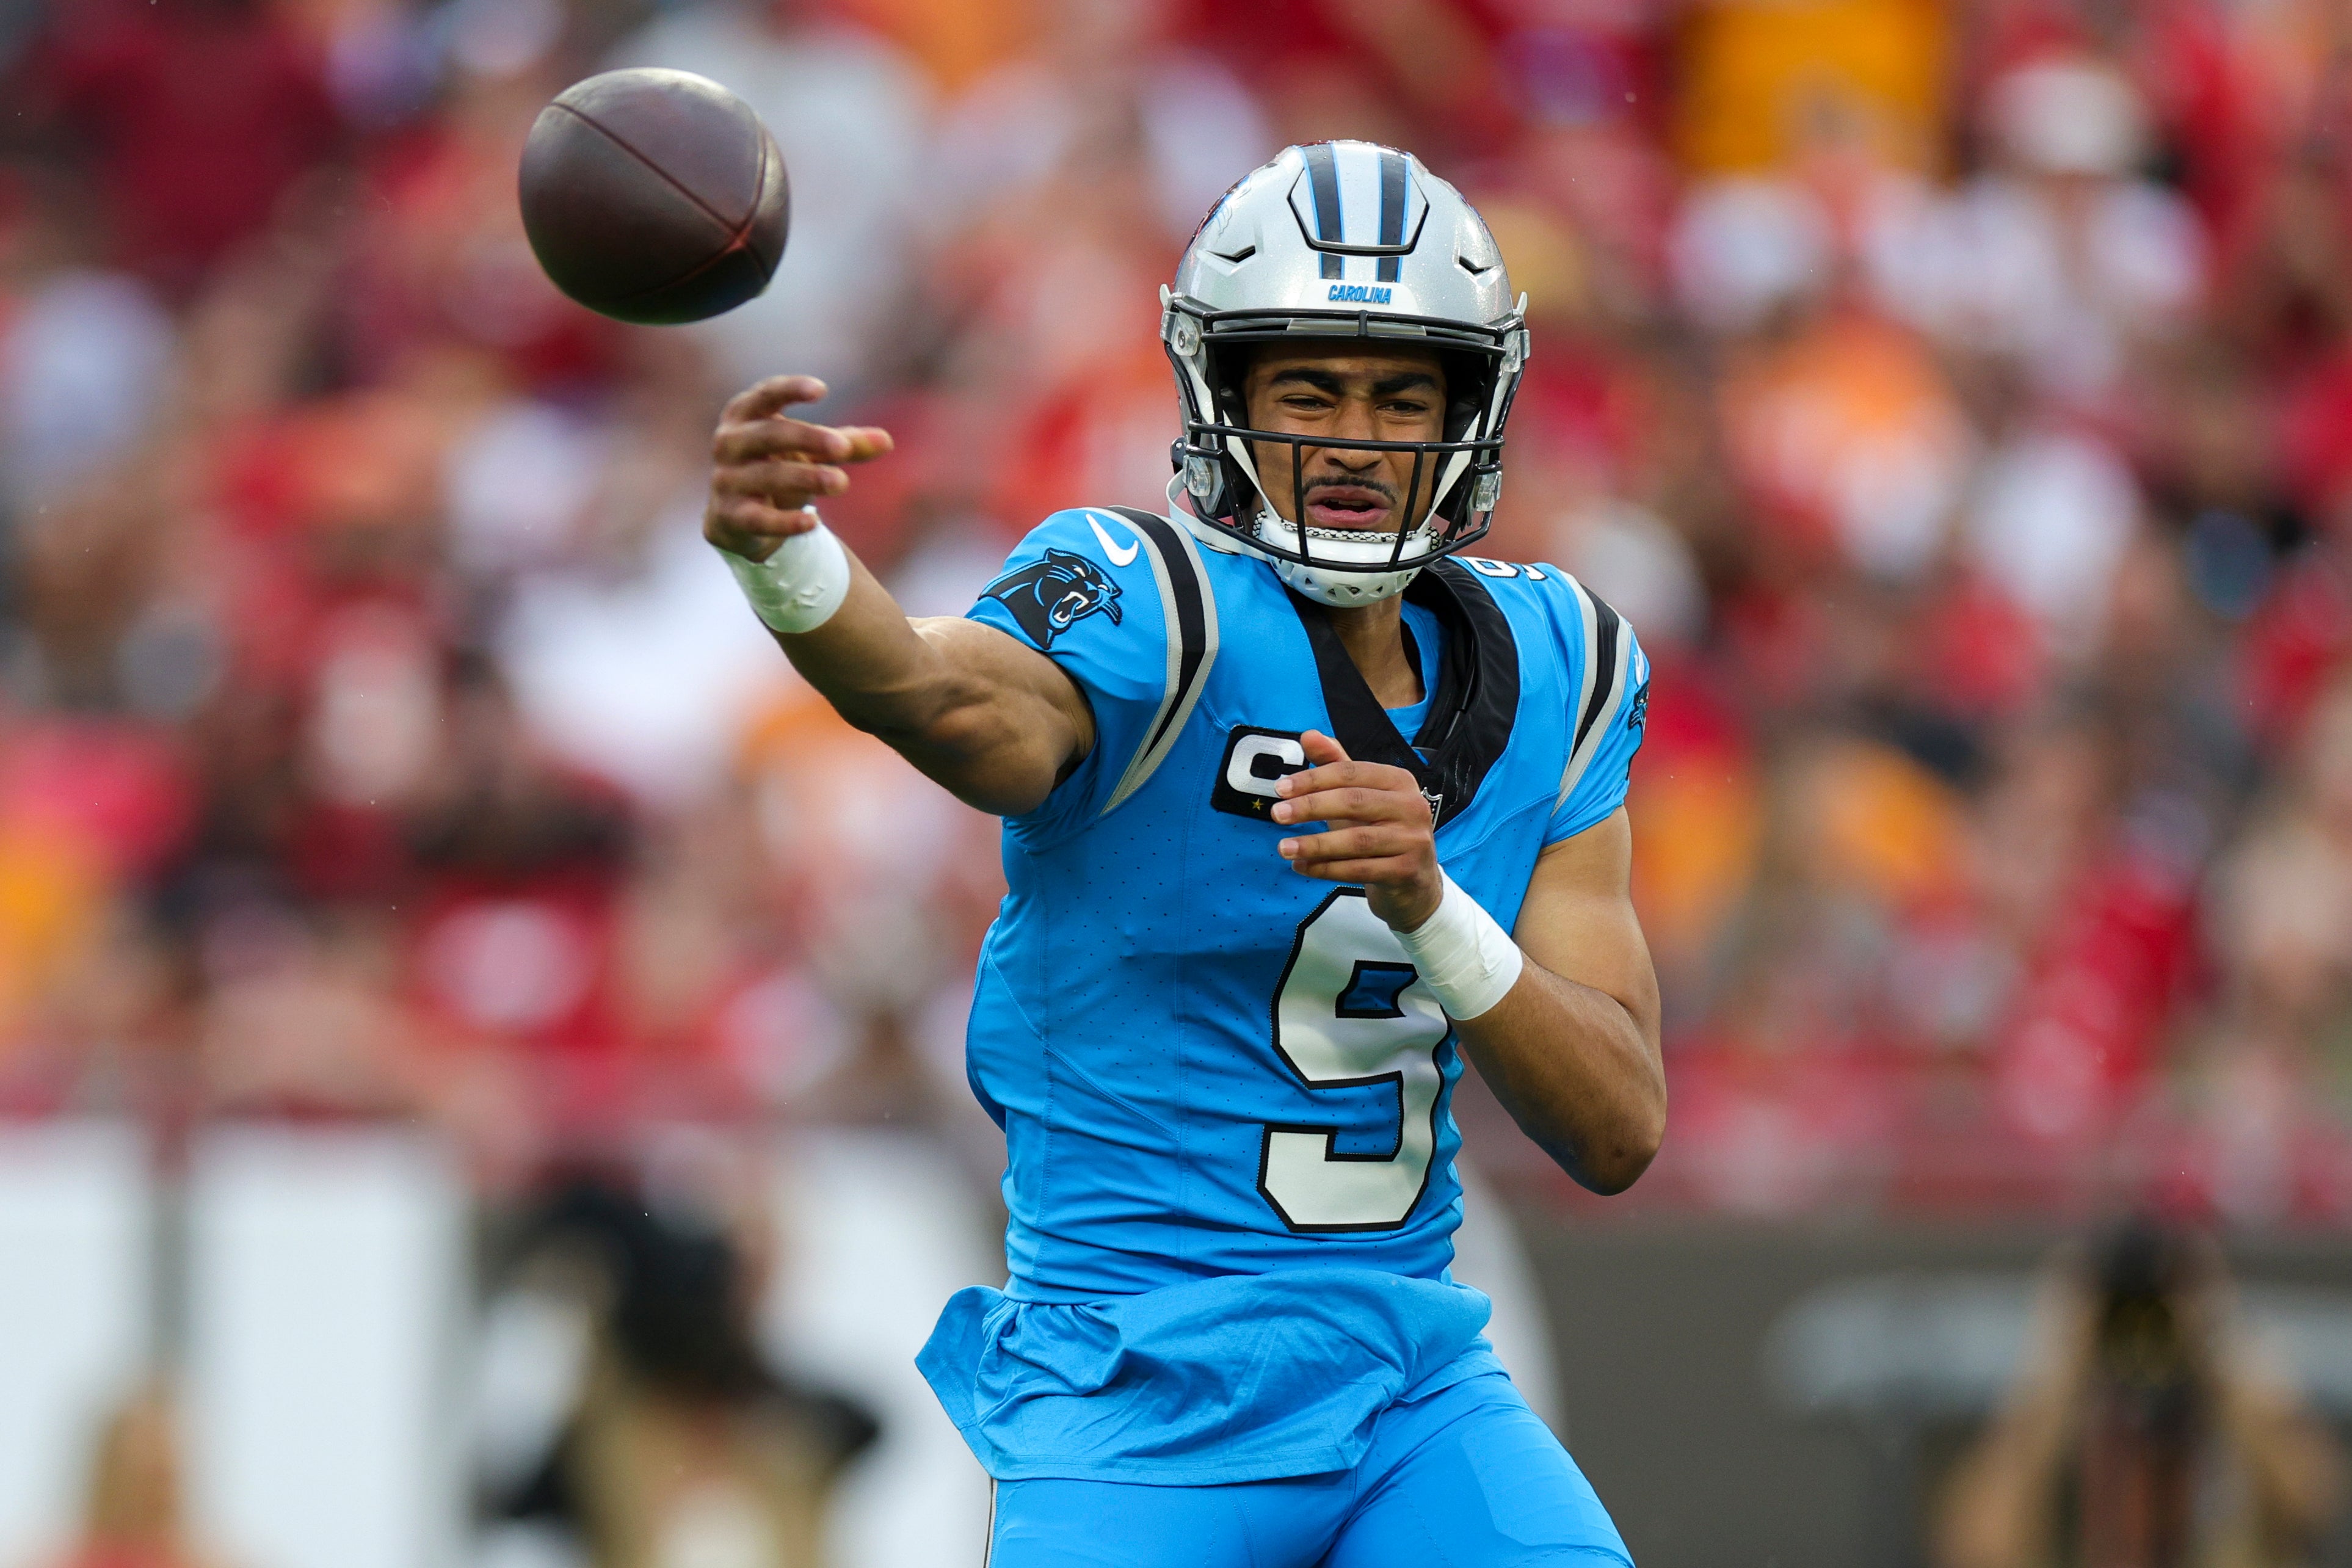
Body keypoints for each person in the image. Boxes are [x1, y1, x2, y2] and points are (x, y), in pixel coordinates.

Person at [700, 141, 1663, 1566]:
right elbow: (941, 693)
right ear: (1226, 395)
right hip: (1136, 1393)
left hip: (1411, 1392)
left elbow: (1619, 1125)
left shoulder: (1560, 662)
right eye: (1310, 390)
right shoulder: (1153, 606)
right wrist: (792, 563)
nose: (1356, 439)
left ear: (1478, 412)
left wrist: (1432, 906)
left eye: (1403, 396)